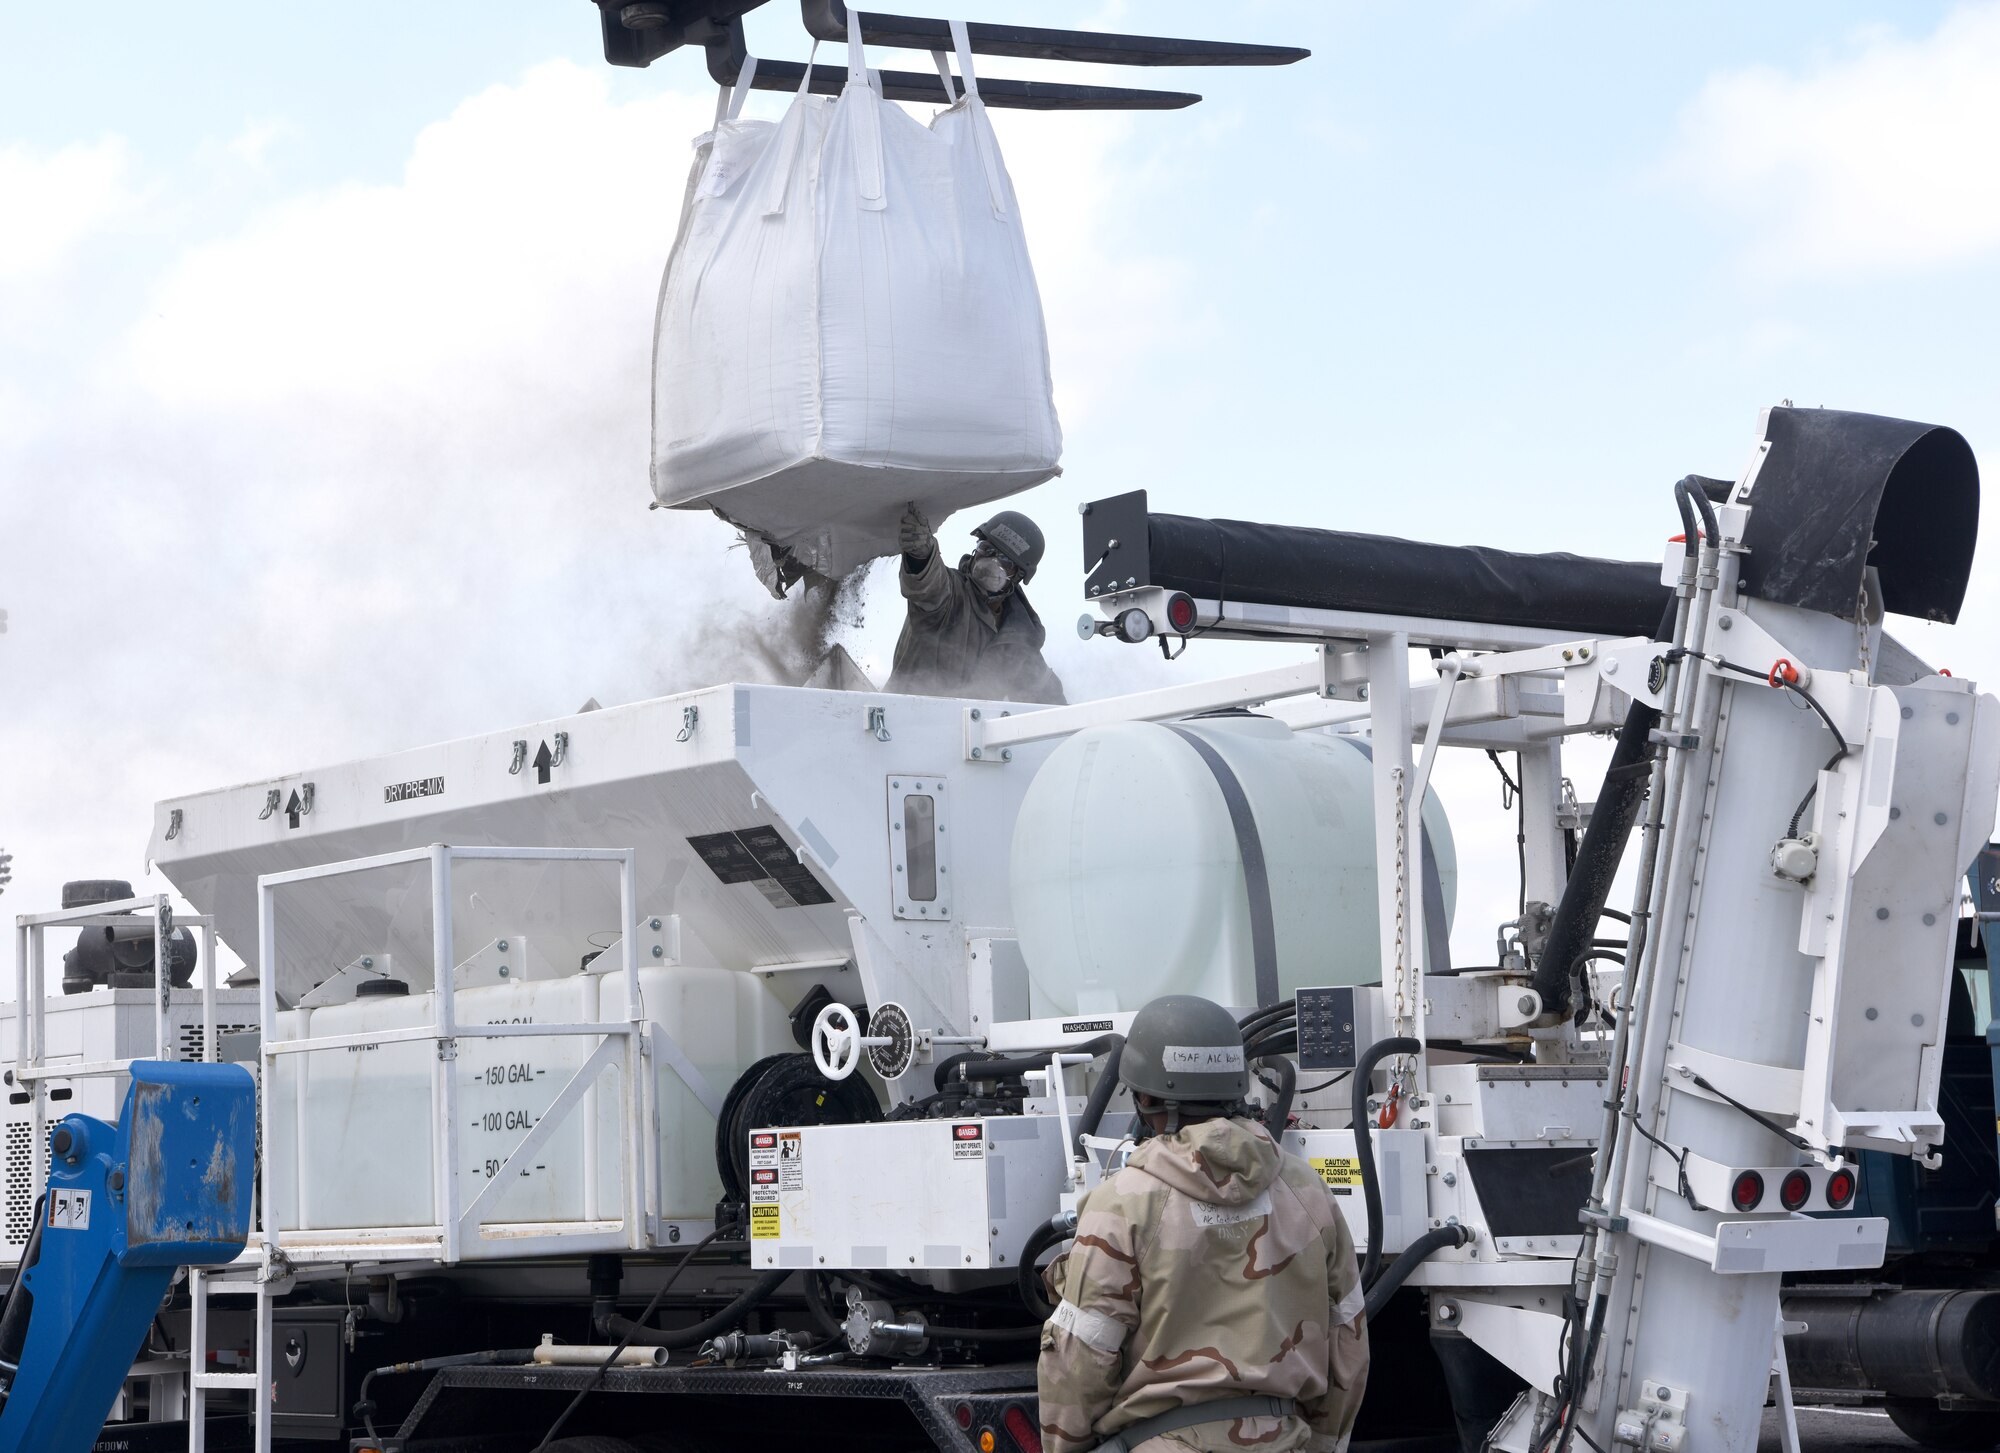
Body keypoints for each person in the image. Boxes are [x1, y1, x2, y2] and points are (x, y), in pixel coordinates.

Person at [1037, 995, 1368, 1453]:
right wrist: (1321, 1444)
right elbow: (1347, 1342)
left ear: (1145, 1095)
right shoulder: (1307, 1190)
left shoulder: (1121, 1205)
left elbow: (1079, 1361)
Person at [885, 505, 1067, 704]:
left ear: (1018, 576)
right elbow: (929, 586)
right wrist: (921, 555)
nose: (991, 561)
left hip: (970, 731)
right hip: (899, 719)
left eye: (1005, 561)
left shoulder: (1018, 639)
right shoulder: (952, 595)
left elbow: (1048, 699)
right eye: (986, 549)